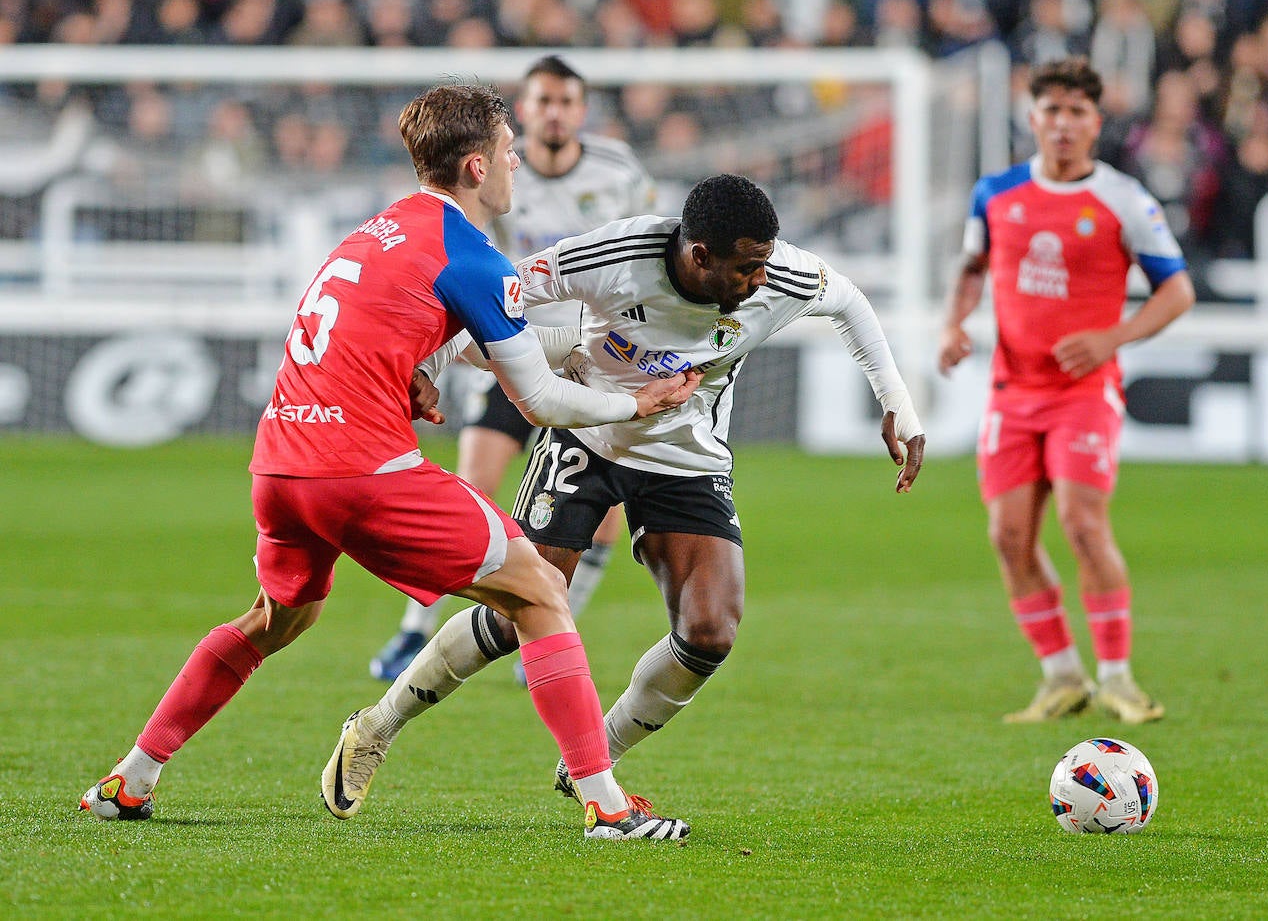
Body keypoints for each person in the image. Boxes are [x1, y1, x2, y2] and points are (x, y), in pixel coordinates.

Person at [79, 82, 697, 841]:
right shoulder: (475, 257)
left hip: (279, 463)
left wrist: (411, 371)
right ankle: (607, 805)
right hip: (358, 470)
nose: (516, 166)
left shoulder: (372, 231)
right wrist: (637, 404)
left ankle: (130, 777)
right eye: (507, 152)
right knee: (538, 589)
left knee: (277, 617)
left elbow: (354, 325)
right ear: (476, 167)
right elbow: (539, 400)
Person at [322, 173, 926, 818]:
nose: (760, 281)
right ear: (699, 257)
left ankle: (594, 758)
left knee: (710, 632)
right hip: (590, 435)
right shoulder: (614, 256)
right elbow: (488, 293)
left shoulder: (779, 273)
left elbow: (851, 303)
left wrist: (898, 404)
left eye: (764, 265)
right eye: (746, 270)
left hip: (685, 456)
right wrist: (428, 366)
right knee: (512, 614)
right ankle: (375, 728)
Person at [371, 55, 658, 685]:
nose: (554, 112)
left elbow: (642, 252)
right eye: (543, 101)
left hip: (588, 355)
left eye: (566, 102)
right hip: (506, 338)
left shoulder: (619, 172)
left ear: (581, 112)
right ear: (526, 109)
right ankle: (413, 632)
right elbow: (463, 254)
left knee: (603, 510)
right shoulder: (491, 165)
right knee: (474, 484)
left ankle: (552, 632)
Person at [937, 57, 1195, 725]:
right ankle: (1061, 676)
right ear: (1033, 120)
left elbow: (1178, 289)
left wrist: (1115, 337)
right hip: (1012, 391)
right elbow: (972, 266)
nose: (1062, 123)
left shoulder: (1123, 198)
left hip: (1084, 389)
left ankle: (1118, 678)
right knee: (1008, 536)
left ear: (1096, 123)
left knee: (1083, 523)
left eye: (1076, 111)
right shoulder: (994, 192)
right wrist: (954, 323)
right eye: (1051, 110)